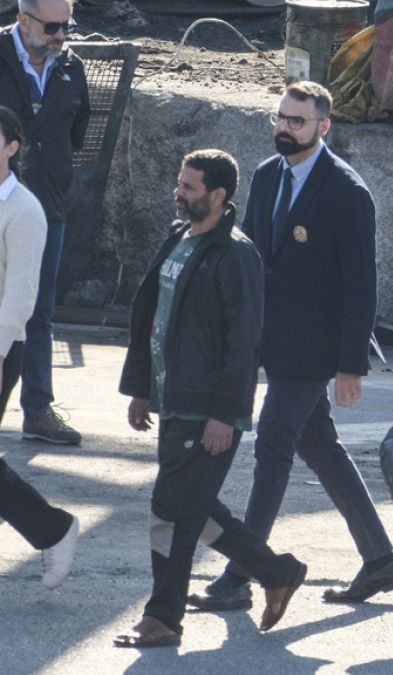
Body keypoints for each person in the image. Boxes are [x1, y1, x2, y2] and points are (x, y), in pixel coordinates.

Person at [189, 82, 393, 612]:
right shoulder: (265, 176)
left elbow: (362, 285)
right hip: (269, 339)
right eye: (281, 118)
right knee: (321, 450)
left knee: (273, 445)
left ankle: (243, 573)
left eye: (298, 121)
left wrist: (351, 364)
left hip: (314, 349)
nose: (285, 128)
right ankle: (381, 561)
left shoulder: (347, 191)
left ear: (323, 127)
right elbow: (253, 259)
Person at [113, 149, 308, 648]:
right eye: (180, 183)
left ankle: (162, 619)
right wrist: (140, 389)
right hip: (172, 398)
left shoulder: (236, 255)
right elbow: (152, 317)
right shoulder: (179, 238)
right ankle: (276, 571)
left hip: (206, 410)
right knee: (191, 506)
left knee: (169, 508)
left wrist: (225, 414)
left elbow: (244, 342)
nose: (178, 192)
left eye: (190, 187)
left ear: (218, 196)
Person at [0, 0, 89, 445]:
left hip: (46, 205)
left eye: (67, 26)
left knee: (38, 308)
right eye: (52, 26)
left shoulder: (71, 67)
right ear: (23, 20)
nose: (61, 36)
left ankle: (37, 409)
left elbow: (77, 131)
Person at [0, 104, 77, 591]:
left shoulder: (24, 210)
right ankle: (51, 528)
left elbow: (19, 299)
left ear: (12, 147)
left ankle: (53, 529)